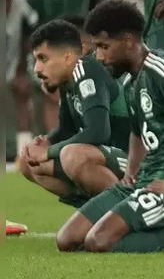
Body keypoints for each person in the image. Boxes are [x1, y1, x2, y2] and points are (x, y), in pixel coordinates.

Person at [56, 0, 164, 253]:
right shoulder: (129, 83)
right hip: (143, 181)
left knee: (98, 242)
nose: (98, 57)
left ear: (128, 41)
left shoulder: (162, 67)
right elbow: (137, 130)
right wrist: (131, 171)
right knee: (66, 240)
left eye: (103, 46)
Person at [16, 19, 132, 207]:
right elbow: (66, 130)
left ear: (69, 58)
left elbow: (98, 132)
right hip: (110, 159)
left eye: (43, 58)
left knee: (74, 155)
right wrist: (45, 142)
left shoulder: (87, 68)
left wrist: (49, 152)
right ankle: (93, 210)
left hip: (138, 161)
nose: (37, 68)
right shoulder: (66, 82)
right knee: (27, 162)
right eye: (36, 59)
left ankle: (133, 213)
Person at [8, 0, 95, 143]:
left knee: (85, 90)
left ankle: (87, 142)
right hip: (48, 37)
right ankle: (62, 145)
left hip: (80, 36)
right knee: (53, 94)